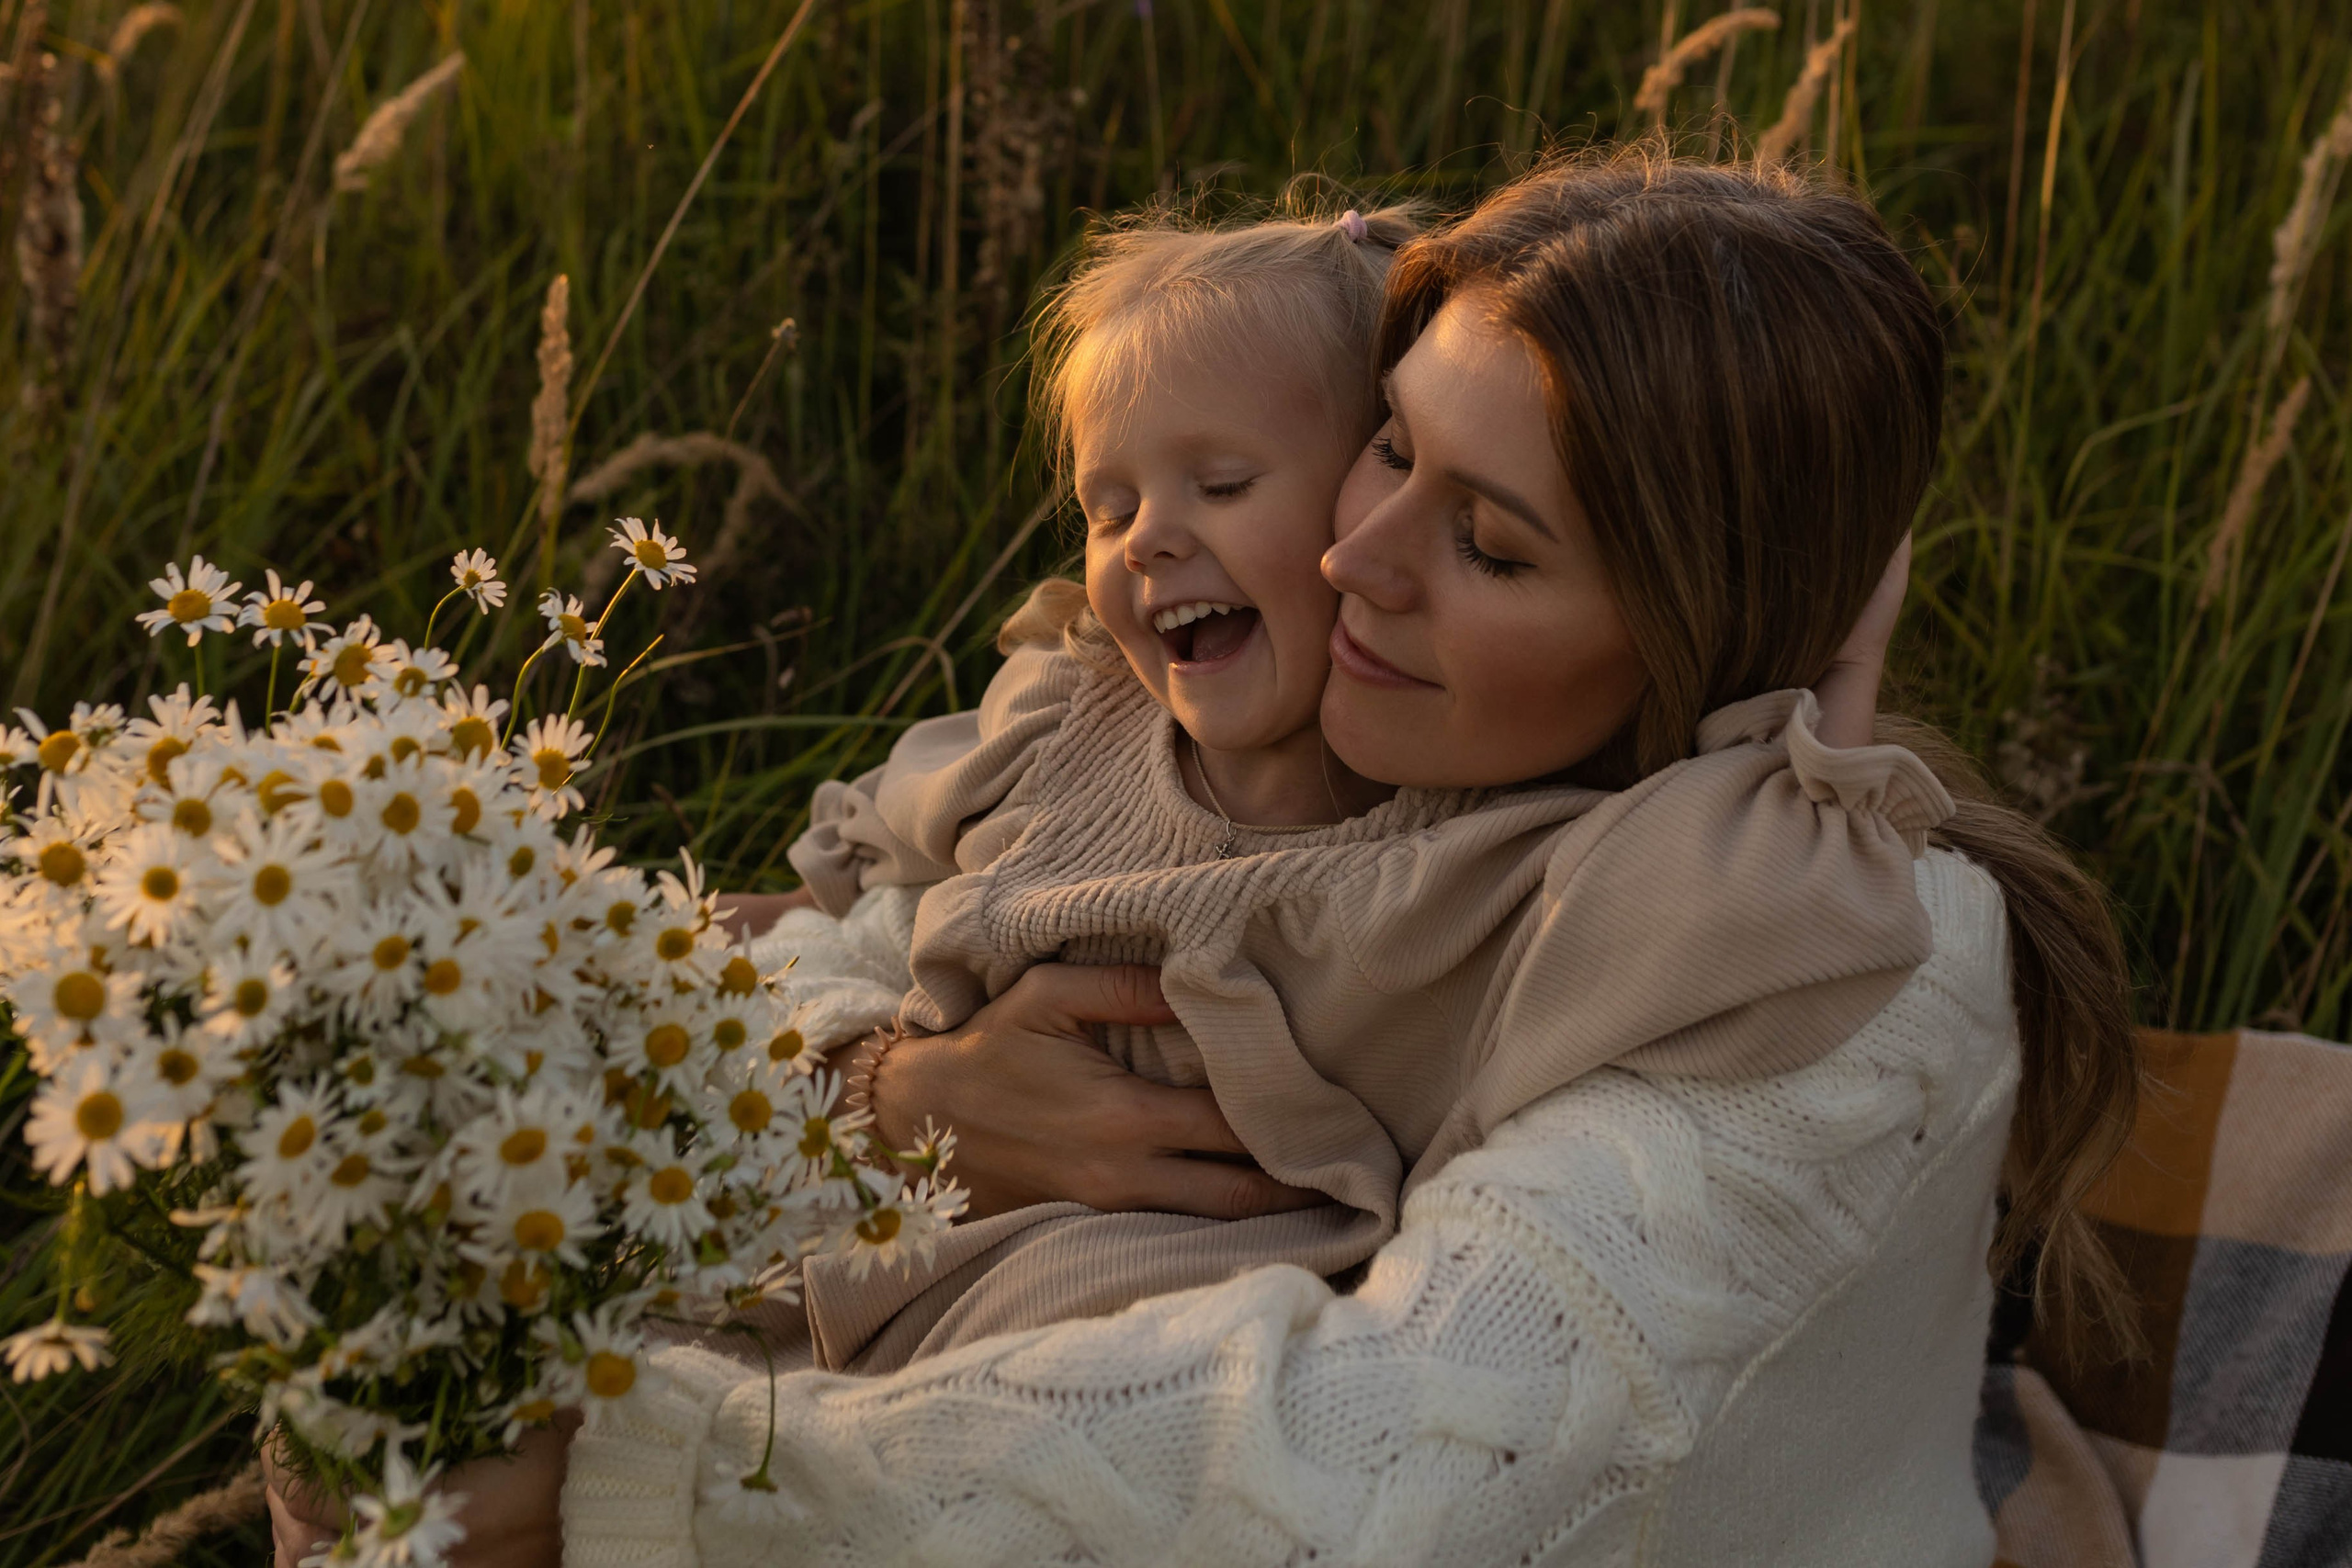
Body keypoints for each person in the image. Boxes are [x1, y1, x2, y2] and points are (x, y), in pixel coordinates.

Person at [269, 147, 2138, 1567]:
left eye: (1488, 544)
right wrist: (886, 1084)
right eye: (1383, 449)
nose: (1351, 559)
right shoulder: (1314, 742)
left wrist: (641, 1459)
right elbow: (854, 919)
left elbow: (1354, 1466)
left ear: (1707, 621)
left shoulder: (1814, 962)